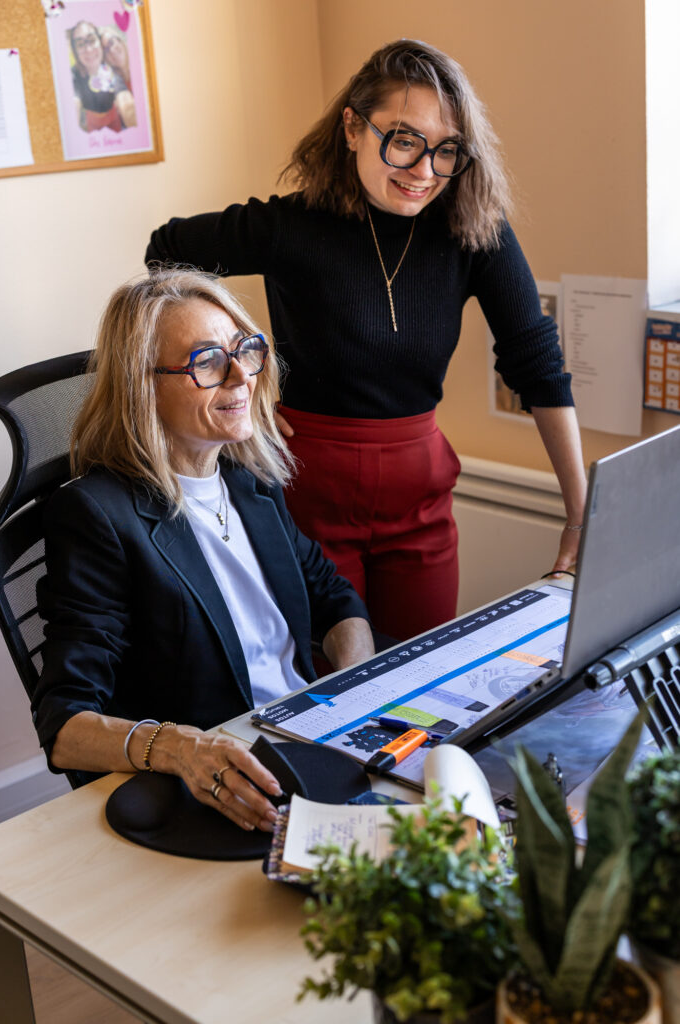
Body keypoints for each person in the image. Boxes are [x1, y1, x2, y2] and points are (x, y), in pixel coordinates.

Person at [145, 38, 587, 642]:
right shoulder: (291, 226)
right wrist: (247, 367)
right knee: (329, 677)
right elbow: (166, 252)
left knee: (423, 671)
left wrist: (580, 514)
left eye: (447, 150)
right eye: (404, 140)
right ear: (353, 128)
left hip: (420, 494)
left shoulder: (473, 230)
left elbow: (537, 362)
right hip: (310, 489)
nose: (424, 171)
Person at [30, 269, 373, 833]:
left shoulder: (249, 480)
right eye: (208, 361)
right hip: (225, 785)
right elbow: (64, 724)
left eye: (244, 350)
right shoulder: (96, 515)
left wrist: (354, 689)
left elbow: (333, 597)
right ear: (143, 385)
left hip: (309, 745)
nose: (241, 376)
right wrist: (181, 748)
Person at [69, 20, 135, 132]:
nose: (89, 49)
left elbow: (126, 104)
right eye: (80, 44)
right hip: (93, 127)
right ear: (75, 52)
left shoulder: (110, 72)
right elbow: (72, 104)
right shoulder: (73, 76)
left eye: (92, 40)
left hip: (115, 123)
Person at [100, 25, 132, 92]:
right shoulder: (113, 87)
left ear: (120, 41)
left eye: (111, 42)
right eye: (106, 49)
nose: (111, 50)